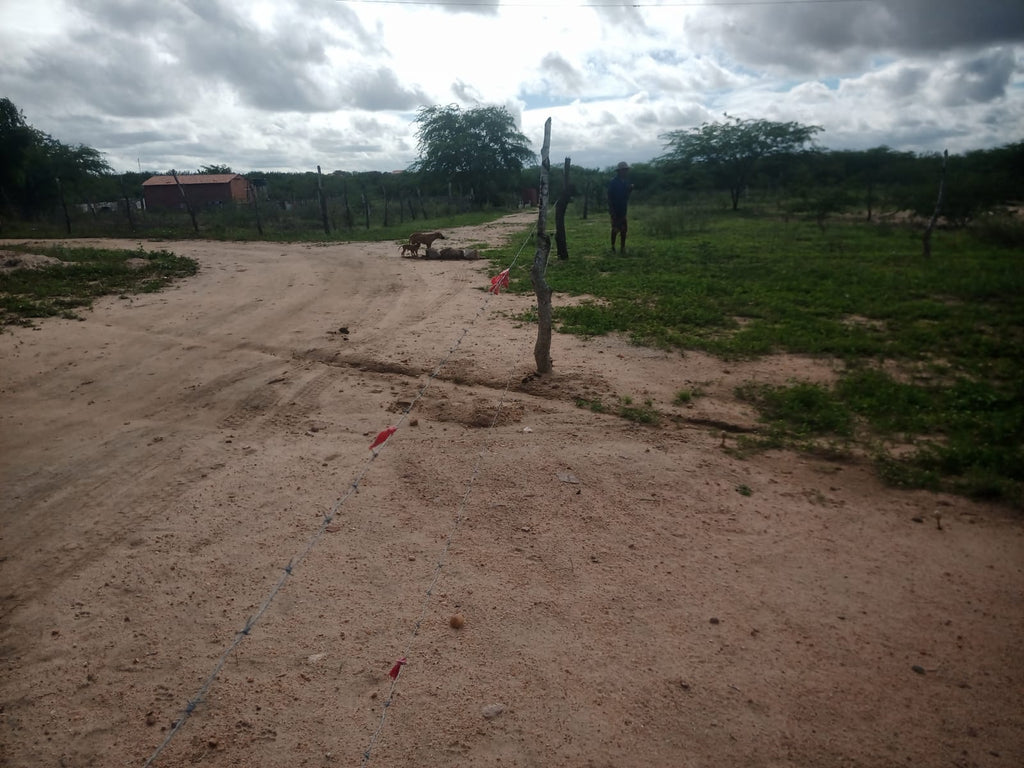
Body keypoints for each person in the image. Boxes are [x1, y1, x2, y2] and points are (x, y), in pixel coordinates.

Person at [607, 161, 634, 253]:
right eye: (623, 170)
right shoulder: (613, 182)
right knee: (615, 229)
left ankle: (622, 247)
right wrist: (611, 210)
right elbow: (609, 197)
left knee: (624, 230)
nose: (625, 171)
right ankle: (613, 247)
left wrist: (630, 190)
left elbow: (626, 197)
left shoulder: (626, 182)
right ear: (619, 171)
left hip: (623, 209)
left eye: (626, 170)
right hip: (615, 209)